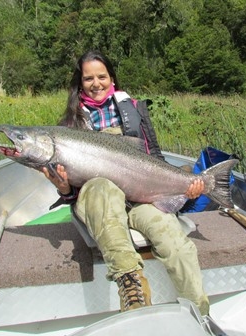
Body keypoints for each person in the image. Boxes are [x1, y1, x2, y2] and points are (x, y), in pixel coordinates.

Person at [42, 50, 209, 316]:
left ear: (112, 78)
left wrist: (188, 187)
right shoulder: (69, 125)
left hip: (141, 197)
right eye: (88, 79)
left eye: (102, 76)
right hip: (100, 202)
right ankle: (133, 289)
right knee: (101, 186)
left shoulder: (135, 110)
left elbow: (154, 158)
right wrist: (63, 188)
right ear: (80, 83)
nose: (96, 84)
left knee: (172, 238)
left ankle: (199, 313)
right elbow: (72, 195)